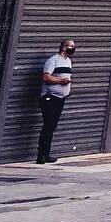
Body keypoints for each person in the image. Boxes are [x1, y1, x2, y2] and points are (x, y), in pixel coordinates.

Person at [36, 37, 75, 165]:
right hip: (49, 97)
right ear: (64, 47)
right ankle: (40, 155)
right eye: (71, 46)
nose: (73, 49)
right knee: (48, 125)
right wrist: (61, 82)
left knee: (52, 126)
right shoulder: (53, 60)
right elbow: (46, 77)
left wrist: (67, 89)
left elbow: (67, 77)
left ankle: (46, 154)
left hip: (60, 98)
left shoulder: (68, 61)